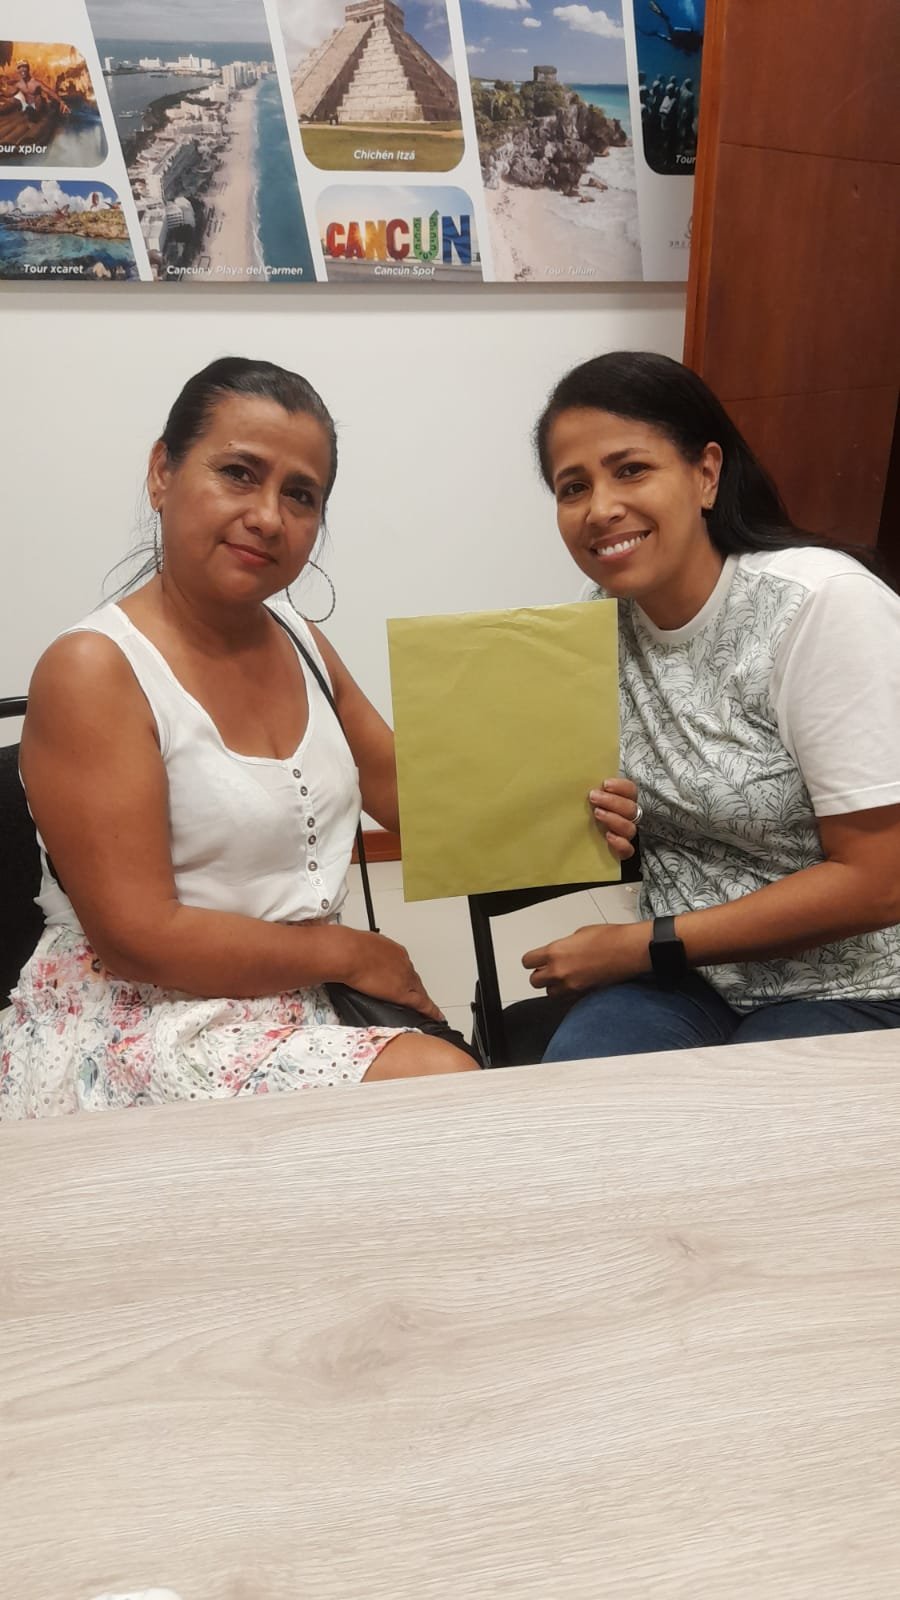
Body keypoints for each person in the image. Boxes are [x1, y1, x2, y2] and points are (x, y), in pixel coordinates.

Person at [0, 358, 477, 1118]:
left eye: (300, 495)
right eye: (238, 474)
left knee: (469, 1103)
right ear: (162, 472)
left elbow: (413, 802)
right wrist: (351, 952)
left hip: (295, 992)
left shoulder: (301, 640)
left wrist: (568, 810)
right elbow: (137, 939)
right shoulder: (94, 668)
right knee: (441, 1090)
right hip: (141, 1018)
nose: (268, 517)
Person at [516, 350, 900, 1060]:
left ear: (706, 473)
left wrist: (640, 945)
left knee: (741, 1116)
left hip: (858, 980)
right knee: (581, 1090)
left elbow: (881, 881)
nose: (601, 508)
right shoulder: (594, 623)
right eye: (573, 487)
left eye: (631, 469)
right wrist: (615, 821)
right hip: (690, 976)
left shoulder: (819, 606)